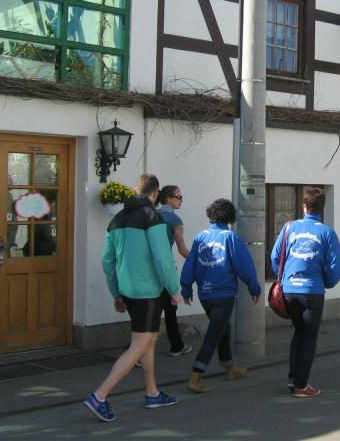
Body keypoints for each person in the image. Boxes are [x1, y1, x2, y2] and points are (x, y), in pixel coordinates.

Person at [84, 173, 182, 422]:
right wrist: (174, 290)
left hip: (128, 291)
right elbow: (162, 259)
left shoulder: (117, 219)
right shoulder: (153, 218)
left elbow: (108, 261)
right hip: (148, 292)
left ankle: (152, 393)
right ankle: (99, 396)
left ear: (135, 191)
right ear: (155, 193)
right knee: (140, 344)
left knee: (148, 341)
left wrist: (116, 293)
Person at [180, 198, 261, 393]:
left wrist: (186, 288)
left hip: (205, 295)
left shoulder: (201, 237)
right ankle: (195, 376)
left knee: (223, 329)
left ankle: (229, 368)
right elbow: (245, 266)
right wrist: (254, 288)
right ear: (230, 218)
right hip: (224, 294)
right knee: (214, 333)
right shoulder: (230, 237)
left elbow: (190, 264)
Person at [270, 187, 340, 398]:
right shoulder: (327, 232)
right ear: (322, 209)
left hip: (289, 290)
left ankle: (293, 378)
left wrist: (284, 278)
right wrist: (326, 283)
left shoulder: (289, 227)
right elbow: (336, 267)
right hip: (312, 292)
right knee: (309, 338)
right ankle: (301, 385)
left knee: (298, 333)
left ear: (304, 206)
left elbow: (275, 257)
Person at [157, 185, 192, 357]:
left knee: (158, 309)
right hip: (166, 268)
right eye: (179, 197)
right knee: (169, 308)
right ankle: (136, 352)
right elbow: (182, 250)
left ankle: (177, 345)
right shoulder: (174, 220)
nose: (181, 200)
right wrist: (200, 262)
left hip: (148, 269)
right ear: (168, 199)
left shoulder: (152, 214)